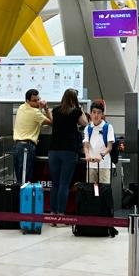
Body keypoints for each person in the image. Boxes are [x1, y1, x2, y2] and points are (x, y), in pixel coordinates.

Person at [48, 88, 87, 219]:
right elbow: (85, 123)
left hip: (53, 151)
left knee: (55, 183)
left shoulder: (56, 110)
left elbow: (53, 122)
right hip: (69, 151)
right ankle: (61, 214)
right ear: (75, 99)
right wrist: (79, 108)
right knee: (64, 184)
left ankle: (52, 213)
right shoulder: (76, 112)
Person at [12, 88, 51, 185]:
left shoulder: (21, 108)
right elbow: (52, 122)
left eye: (38, 99)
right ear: (27, 101)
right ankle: (25, 200)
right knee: (26, 180)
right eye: (34, 101)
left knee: (20, 179)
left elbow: (35, 120)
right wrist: (45, 107)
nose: (37, 102)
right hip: (26, 148)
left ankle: (20, 200)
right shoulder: (35, 113)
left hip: (17, 147)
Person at [82, 100, 116, 184]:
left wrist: (101, 155)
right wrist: (87, 155)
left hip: (104, 164)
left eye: (99, 112)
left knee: (103, 190)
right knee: (91, 191)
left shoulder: (108, 127)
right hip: (90, 165)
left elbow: (109, 147)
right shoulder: (88, 128)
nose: (96, 115)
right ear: (90, 113)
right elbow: (86, 145)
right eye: (94, 112)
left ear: (102, 114)